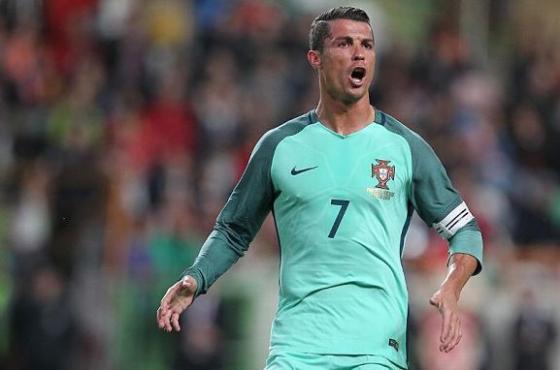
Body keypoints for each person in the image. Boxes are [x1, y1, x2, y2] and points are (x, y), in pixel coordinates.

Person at [157, 6, 483, 369]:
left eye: (367, 45)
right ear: (316, 58)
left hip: (374, 350)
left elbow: (465, 230)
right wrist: (196, 276)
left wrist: (452, 285)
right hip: (296, 348)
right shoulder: (279, 147)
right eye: (344, 43)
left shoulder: (405, 148)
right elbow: (233, 230)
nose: (359, 53)